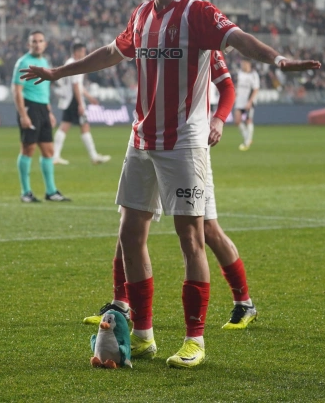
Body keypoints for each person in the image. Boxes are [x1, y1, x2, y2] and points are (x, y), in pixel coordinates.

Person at [20, 0, 320, 368]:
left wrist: (279, 60)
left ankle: (195, 340)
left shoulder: (198, 13)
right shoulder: (141, 15)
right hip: (141, 138)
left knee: (193, 237)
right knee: (129, 233)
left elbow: (238, 39)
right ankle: (143, 335)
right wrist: (56, 72)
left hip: (183, 141)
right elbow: (110, 52)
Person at [83, 52, 259, 332]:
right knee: (129, 226)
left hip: (188, 146)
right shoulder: (151, 30)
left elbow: (227, 86)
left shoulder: (200, 36)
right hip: (148, 141)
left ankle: (244, 302)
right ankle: (121, 303)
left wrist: (219, 119)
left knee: (206, 229)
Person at [12, 31, 70, 203]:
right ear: (29, 44)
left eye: (40, 41)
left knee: (48, 151)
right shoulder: (23, 62)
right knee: (28, 149)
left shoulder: (44, 61)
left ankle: (51, 191)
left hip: (43, 109)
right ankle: (25, 192)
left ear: (45, 44)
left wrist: (49, 112)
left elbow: (44, 90)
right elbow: (17, 91)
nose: (37, 44)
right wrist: (23, 115)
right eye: (34, 41)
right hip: (29, 108)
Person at [52, 43, 111, 166]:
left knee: (66, 126)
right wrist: (80, 104)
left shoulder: (70, 62)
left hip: (70, 98)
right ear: (76, 52)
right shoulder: (75, 64)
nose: (85, 54)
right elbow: (75, 86)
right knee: (82, 126)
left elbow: (78, 85)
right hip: (74, 99)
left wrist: (89, 97)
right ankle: (93, 156)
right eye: (83, 51)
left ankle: (55, 156)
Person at [234, 59, 261, 151]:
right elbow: (237, 86)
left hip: (249, 100)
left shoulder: (254, 75)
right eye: (241, 63)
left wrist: (250, 101)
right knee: (237, 120)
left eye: (244, 63)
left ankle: (247, 141)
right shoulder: (239, 73)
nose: (242, 65)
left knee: (248, 120)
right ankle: (248, 139)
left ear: (248, 64)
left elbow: (256, 89)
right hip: (239, 100)